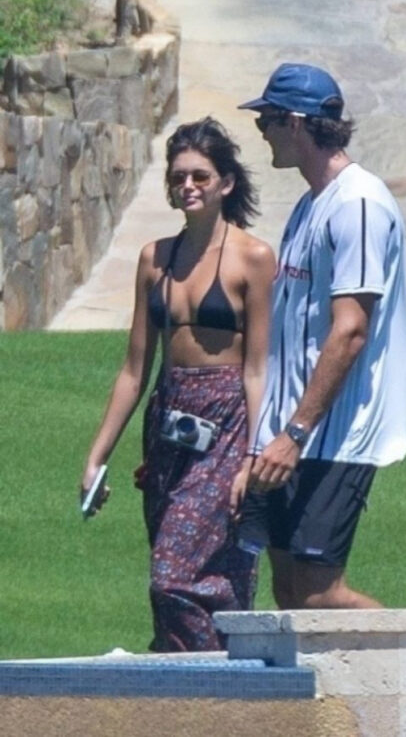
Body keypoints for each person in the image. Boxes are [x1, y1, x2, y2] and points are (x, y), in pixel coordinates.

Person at [81, 117, 276, 651]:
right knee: (186, 568)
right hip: (168, 423)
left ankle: (206, 672)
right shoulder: (155, 259)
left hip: (228, 422)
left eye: (200, 176)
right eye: (178, 177)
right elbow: (134, 370)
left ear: (225, 183)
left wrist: (253, 456)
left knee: (172, 576)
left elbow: (258, 368)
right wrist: (97, 457)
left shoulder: (253, 258)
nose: (188, 186)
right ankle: (195, 674)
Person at [234, 63, 406, 611]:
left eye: (265, 121)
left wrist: (296, 432)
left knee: (318, 595)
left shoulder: (359, 205)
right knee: (288, 592)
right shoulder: (312, 204)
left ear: (294, 122)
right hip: (288, 433)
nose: (262, 134)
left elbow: (351, 330)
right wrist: (265, 437)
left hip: (333, 433)